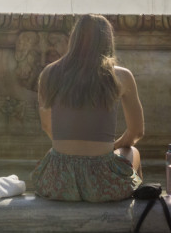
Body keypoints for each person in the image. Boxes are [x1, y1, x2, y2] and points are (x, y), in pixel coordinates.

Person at [31, 14, 144, 202]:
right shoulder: (121, 76)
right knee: (133, 152)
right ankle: (132, 219)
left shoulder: (49, 73)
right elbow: (137, 132)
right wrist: (112, 147)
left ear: (73, 39)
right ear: (107, 40)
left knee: (51, 154)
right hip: (103, 184)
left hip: (57, 182)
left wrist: (70, 150)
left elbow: (47, 127)